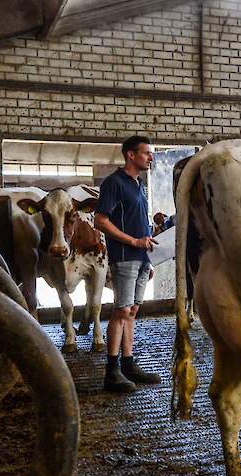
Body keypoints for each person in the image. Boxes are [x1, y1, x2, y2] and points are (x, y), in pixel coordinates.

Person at [94, 135, 162, 393]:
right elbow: (100, 221)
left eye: (151, 153)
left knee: (132, 311)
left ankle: (128, 363)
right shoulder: (114, 183)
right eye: (146, 153)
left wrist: (148, 255)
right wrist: (134, 242)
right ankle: (111, 373)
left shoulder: (139, 185)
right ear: (130, 155)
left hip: (142, 257)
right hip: (125, 256)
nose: (150, 157)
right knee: (121, 311)